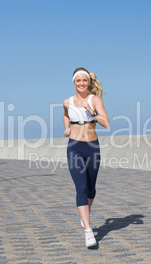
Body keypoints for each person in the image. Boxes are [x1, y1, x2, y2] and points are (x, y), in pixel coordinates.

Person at [62, 67, 110, 248]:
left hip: (92, 147)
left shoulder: (94, 99)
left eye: (84, 80)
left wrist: (91, 110)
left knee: (91, 189)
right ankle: (88, 231)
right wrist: (67, 129)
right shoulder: (67, 102)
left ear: (88, 82)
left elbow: (106, 123)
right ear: (73, 83)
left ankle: (86, 211)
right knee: (80, 187)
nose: (81, 83)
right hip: (74, 147)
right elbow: (66, 116)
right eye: (78, 81)